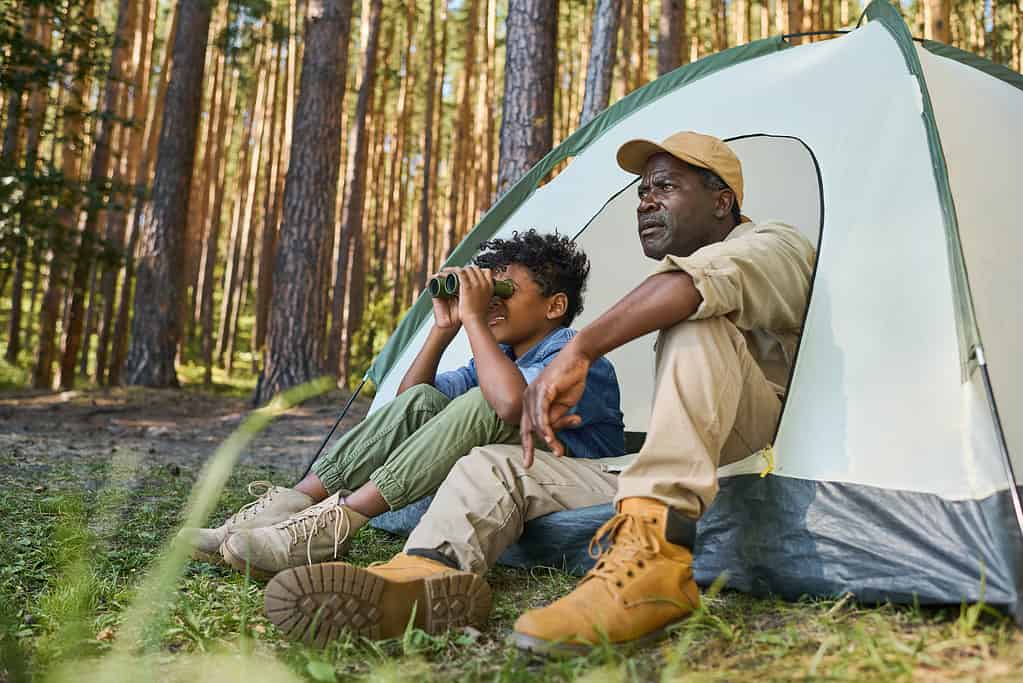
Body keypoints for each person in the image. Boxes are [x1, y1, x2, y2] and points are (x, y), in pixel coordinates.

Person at [260, 131, 815, 652]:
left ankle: (656, 561)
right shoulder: (516, 349)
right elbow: (425, 399)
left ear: (722, 202)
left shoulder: (773, 244)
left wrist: (580, 350)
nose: (645, 203)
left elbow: (692, 288)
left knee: (695, 313)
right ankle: (425, 575)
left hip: (759, 449)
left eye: (665, 187)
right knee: (491, 464)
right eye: (642, 192)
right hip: (655, 460)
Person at [179, 230, 625, 580]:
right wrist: (443, 329)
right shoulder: (500, 358)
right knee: (427, 399)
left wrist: (474, 319)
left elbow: (508, 406)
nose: (492, 301)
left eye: (504, 290)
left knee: (481, 403)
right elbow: (411, 402)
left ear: (555, 305)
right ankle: (293, 505)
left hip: (576, 473)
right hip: (520, 460)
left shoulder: (576, 354)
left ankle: (334, 527)